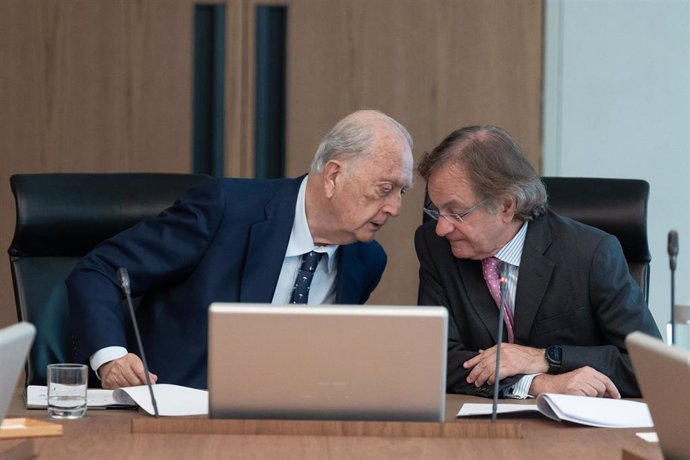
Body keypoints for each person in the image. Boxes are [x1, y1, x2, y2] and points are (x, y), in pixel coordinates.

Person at [67, 109, 414, 390]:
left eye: (402, 192)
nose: (394, 208)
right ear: (334, 176)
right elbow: (99, 271)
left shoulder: (367, 260)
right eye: (384, 189)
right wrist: (111, 358)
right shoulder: (225, 209)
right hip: (174, 418)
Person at [415, 125, 661, 399]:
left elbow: (650, 368)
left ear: (507, 206)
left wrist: (545, 358)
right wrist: (534, 383)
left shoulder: (591, 253)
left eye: (456, 212)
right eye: (437, 211)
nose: (441, 228)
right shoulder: (435, 246)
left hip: (575, 432)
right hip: (479, 424)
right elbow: (435, 361)